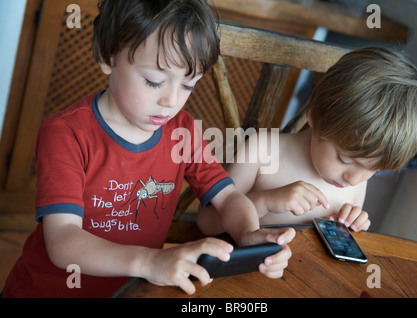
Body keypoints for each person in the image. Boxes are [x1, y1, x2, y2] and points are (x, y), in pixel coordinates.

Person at [2, 0, 295, 298]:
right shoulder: (65, 133)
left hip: (132, 292)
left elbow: (229, 196)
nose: (171, 101)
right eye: (154, 81)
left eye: (188, 85)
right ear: (107, 56)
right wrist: (151, 260)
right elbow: (63, 241)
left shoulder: (182, 131)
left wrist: (248, 233)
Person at [198, 46, 417, 234]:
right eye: (345, 159)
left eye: (374, 169)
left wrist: (348, 226)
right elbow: (206, 223)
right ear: (315, 116)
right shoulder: (262, 150)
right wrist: (265, 201)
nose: (355, 179)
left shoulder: (356, 179)